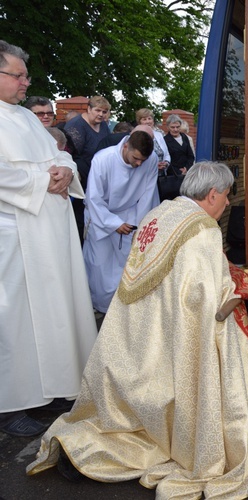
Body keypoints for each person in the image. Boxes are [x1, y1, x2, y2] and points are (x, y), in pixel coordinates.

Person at [27, 161, 248, 498]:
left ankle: (80, 445)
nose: (228, 203)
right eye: (226, 196)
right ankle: (107, 453)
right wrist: (244, 287)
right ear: (212, 194)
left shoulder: (160, 213)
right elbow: (206, 299)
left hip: (131, 334)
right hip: (169, 339)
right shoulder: (202, 229)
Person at [0, 40, 97, 437]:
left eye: (26, 75)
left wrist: (63, 171)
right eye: (17, 75)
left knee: (57, 308)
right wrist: (44, 180)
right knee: (17, 319)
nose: (26, 82)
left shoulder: (23, 117)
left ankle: (56, 385)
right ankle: (10, 404)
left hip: (50, 232)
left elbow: (60, 154)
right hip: (14, 235)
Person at [83, 129, 160, 314]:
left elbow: (148, 194)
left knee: (128, 263)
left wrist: (139, 224)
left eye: (142, 160)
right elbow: (94, 197)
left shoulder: (151, 160)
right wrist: (113, 223)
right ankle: (99, 306)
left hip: (131, 215)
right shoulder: (103, 159)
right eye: (135, 158)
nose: (139, 163)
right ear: (126, 146)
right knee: (99, 266)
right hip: (101, 215)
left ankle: (122, 308)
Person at [65, 96, 111, 242]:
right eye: (97, 110)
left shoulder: (103, 124)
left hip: (98, 173)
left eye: (104, 112)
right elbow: (73, 155)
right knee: (81, 214)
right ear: (88, 108)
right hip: (82, 176)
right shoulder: (76, 126)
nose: (101, 114)